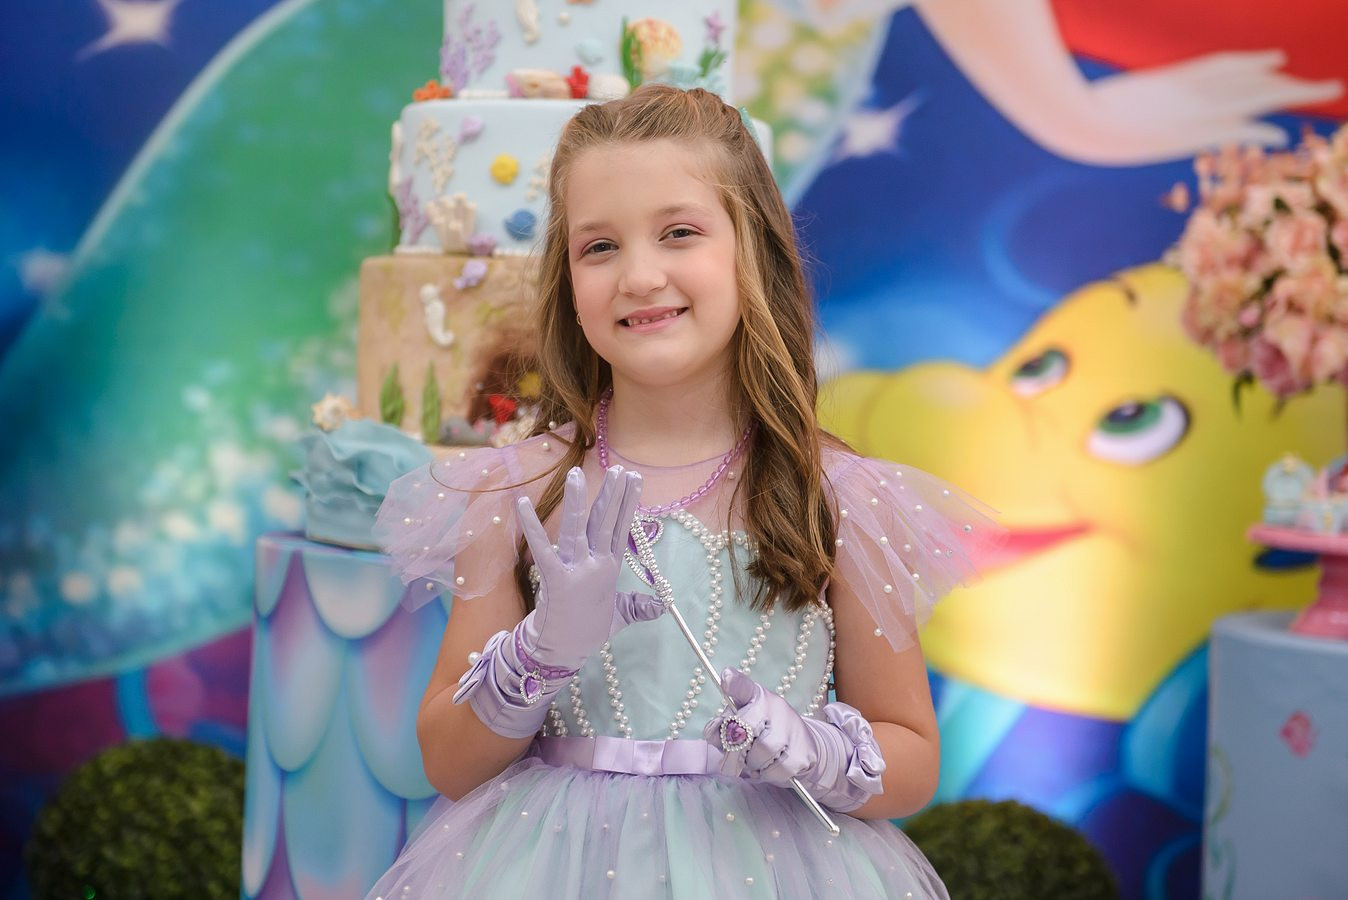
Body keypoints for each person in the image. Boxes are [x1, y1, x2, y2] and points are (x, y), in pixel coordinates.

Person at [365, 84, 1001, 899]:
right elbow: (449, 763)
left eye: (679, 233)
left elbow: (912, 756)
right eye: (599, 246)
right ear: (567, 279)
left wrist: (818, 752)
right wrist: (539, 654)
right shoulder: (517, 491)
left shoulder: (837, 496)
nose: (639, 275)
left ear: (751, 248)